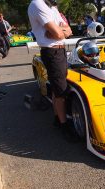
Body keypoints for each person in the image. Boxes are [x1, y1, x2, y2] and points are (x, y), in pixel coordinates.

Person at [28, 0, 75, 139]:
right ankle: (64, 125)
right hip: (52, 52)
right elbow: (59, 34)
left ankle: (57, 118)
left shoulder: (51, 6)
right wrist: (58, 32)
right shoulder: (37, 4)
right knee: (61, 91)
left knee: (56, 88)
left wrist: (57, 31)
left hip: (59, 51)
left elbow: (68, 30)